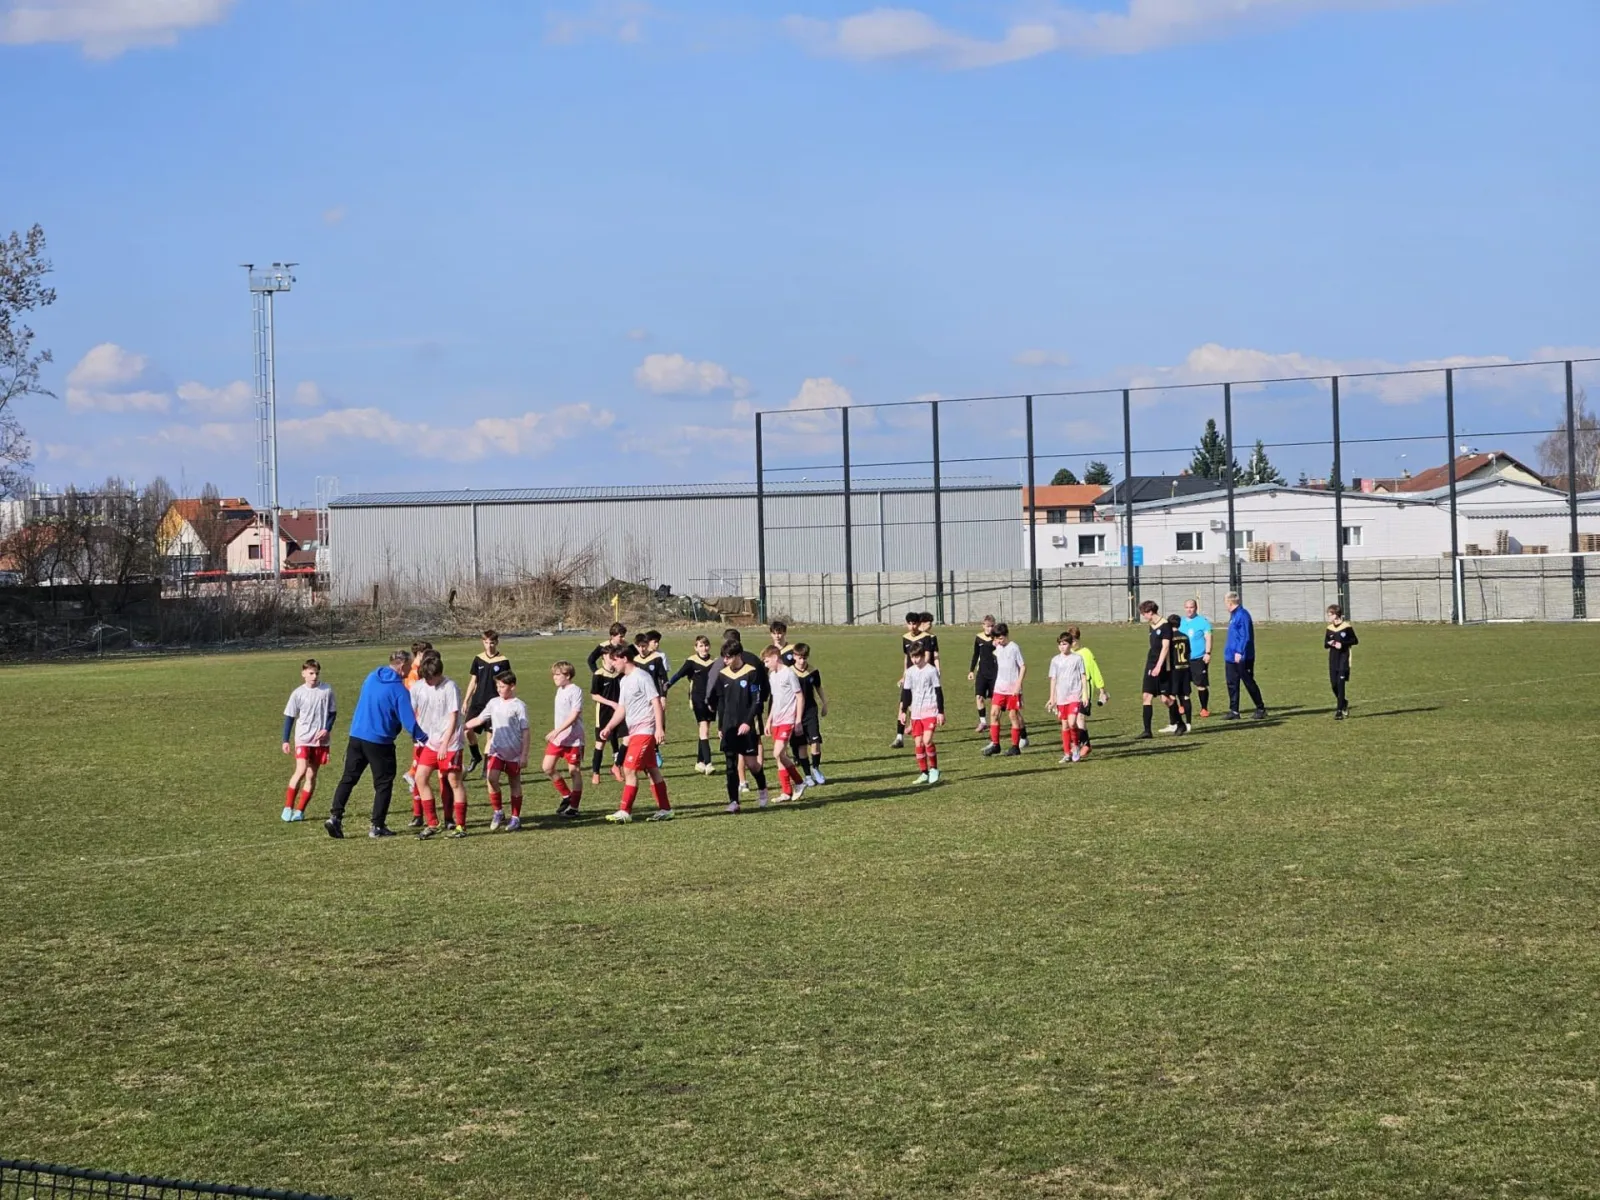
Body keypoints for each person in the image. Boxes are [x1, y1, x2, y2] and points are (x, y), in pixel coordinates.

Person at [324, 650, 430, 840]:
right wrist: (425, 738)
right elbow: (409, 721)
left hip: (357, 736)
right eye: (409, 665)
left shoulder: (372, 676)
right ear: (402, 665)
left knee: (348, 778)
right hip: (380, 742)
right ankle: (377, 825)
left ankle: (335, 817)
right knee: (383, 784)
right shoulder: (399, 690)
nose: (411, 668)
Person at [599, 645, 672, 823]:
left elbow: (655, 702)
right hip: (634, 732)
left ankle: (625, 811)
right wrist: (608, 727)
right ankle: (666, 809)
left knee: (629, 769)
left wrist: (659, 728)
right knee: (652, 770)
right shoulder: (624, 680)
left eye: (614, 660)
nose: (612, 664)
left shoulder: (642, 676)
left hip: (645, 731)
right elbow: (622, 708)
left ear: (624, 658)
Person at [707, 637, 769, 812]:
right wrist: (720, 726)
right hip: (729, 725)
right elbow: (721, 702)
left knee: (752, 764)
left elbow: (756, 701)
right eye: (724, 657)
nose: (725, 661)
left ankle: (762, 789)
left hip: (746, 725)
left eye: (728, 657)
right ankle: (734, 801)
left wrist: (748, 722)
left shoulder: (751, 673)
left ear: (738, 655)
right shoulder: (723, 675)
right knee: (730, 764)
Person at [464, 671, 530, 832]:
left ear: (512, 686)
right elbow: (480, 719)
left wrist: (524, 755)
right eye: (497, 686)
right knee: (491, 778)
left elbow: (525, 731)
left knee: (514, 783)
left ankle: (515, 818)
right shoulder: (493, 703)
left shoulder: (519, 706)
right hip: (496, 750)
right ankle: (498, 812)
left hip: (514, 752)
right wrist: (462, 727)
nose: (499, 689)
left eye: (502, 686)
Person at [411, 650, 467, 839]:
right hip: (431, 742)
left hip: (450, 744)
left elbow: (454, 717)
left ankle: (460, 826)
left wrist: (445, 743)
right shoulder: (419, 686)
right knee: (420, 778)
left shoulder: (450, 687)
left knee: (454, 781)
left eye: (430, 678)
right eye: (425, 678)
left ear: (439, 674)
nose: (427, 682)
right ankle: (433, 823)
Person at [281, 658, 336, 822]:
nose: (314, 676)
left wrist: (326, 729)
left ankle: (300, 811)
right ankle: (288, 807)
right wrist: (285, 740)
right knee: (301, 770)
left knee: (311, 776)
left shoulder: (326, 690)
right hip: (303, 738)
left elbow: (332, 713)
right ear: (303, 673)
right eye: (311, 673)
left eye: (316, 673)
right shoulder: (298, 693)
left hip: (320, 740)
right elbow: (290, 717)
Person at [762, 645, 809, 803]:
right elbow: (775, 700)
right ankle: (786, 792)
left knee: (777, 753)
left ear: (775, 658)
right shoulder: (772, 675)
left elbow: (799, 697)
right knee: (781, 757)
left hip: (788, 720)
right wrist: (769, 720)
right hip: (776, 720)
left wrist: (798, 720)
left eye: (767, 661)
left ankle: (800, 782)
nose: (766, 664)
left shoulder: (789, 673)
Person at [461, 630, 512, 776]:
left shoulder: (503, 661)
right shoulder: (478, 659)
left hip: (494, 704)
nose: (489, 646)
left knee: (490, 736)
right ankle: (476, 756)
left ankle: (486, 767)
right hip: (477, 702)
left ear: (497, 642)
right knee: (467, 730)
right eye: (486, 642)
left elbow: (507, 683)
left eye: (492, 643)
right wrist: (466, 700)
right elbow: (473, 681)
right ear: (483, 642)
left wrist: (506, 701)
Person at [667, 634, 719, 774]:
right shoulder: (691, 662)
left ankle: (699, 762)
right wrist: (668, 685)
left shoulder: (714, 662)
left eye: (706, 645)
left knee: (705, 730)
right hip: (697, 699)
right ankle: (708, 763)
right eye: (701, 646)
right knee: (704, 728)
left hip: (711, 700)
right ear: (696, 648)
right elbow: (679, 674)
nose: (704, 648)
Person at [541, 660, 587, 815]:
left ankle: (574, 807)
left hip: (574, 739)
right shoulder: (559, 690)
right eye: (554, 675)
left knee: (574, 771)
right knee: (547, 767)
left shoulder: (575, 690)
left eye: (558, 674)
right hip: (559, 739)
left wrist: (557, 730)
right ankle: (567, 795)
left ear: (567, 675)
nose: (554, 677)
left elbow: (574, 715)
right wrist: (557, 733)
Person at [587, 623, 629, 784]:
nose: (613, 660)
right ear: (604, 657)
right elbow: (594, 696)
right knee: (601, 743)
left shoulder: (619, 674)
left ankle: (617, 766)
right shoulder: (598, 674)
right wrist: (611, 703)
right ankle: (596, 772)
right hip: (604, 712)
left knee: (627, 739)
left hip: (620, 711)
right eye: (610, 657)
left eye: (614, 657)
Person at [901, 643, 944, 783]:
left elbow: (938, 691)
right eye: (912, 657)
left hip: (930, 710)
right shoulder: (909, 672)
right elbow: (906, 693)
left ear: (923, 655)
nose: (914, 660)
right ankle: (924, 772)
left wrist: (941, 712)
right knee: (918, 743)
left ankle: (934, 769)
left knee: (927, 740)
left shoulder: (931, 671)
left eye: (917, 657)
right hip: (916, 712)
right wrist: (903, 711)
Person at [982, 623, 1026, 757]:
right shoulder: (997, 646)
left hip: (1012, 689)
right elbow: (988, 643)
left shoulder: (1014, 647)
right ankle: (995, 744)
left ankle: (1015, 747)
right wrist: (993, 640)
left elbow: (1023, 667)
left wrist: (1018, 685)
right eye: (997, 638)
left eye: (1001, 638)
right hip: (1000, 687)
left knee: (1013, 716)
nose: (999, 641)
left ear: (1007, 635)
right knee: (994, 713)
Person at [1223, 591, 1268, 720]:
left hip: (1243, 656)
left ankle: (1261, 708)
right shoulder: (1233, 615)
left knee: (1248, 682)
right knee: (1232, 683)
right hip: (1230, 656)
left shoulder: (1242, 615)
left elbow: (1245, 636)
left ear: (1229, 602)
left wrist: (1239, 651)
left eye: (1225, 602)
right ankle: (1234, 711)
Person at [791, 642, 827, 785]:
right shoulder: (789, 672)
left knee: (815, 742)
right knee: (801, 745)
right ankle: (807, 775)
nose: (802, 661)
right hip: (794, 713)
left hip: (810, 711)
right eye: (799, 658)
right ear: (794, 656)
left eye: (804, 658)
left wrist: (825, 703)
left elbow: (818, 687)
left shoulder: (813, 671)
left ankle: (816, 768)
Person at [1046, 633, 1087, 763]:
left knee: (1072, 722)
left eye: (1064, 644)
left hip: (1074, 695)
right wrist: (1052, 697)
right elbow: (1053, 679)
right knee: (1064, 725)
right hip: (1061, 697)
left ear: (1070, 644)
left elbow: (1083, 677)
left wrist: (1085, 695)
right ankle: (1066, 753)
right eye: (1060, 644)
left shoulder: (1077, 659)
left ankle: (1076, 746)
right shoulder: (1055, 660)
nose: (1062, 647)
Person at [1069, 628, 1108, 757]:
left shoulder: (1086, 653)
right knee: (1072, 719)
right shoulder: (1067, 654)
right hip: (1071, 690)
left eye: (1074, 640)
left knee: (1080, 717)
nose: (1072, 643)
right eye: (1070, 641)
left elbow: (1095, 670)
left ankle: (1086, 745)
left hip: (1085, 689)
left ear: (1078, 639)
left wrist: (1101, 689)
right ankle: (1080, 743)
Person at [1137, 600, 1173, 739]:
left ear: (1150, 612)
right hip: (1151, 663)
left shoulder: (1165, 625)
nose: (1143, 616)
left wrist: (1158, 666)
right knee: (1146, 695)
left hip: (1162, 665)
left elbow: (1165, 647)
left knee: (1165, 699)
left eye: (1144, 614)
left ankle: (1179, 722)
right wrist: (1152, 665)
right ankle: (1147, 731)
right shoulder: (1151, 626)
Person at [1178, 599, 1214, 717]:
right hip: (1183, 659)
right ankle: (1182, 706)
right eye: (1187, 607)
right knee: (1181, 684)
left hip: (1198, 658)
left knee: (1201, 684)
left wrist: (1208, 653)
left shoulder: (1203, 622)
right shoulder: (1180, 622)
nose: (1189, 610)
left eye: (1191, 607)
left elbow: (1208, 637)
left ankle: (1204, 708)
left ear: (1196, 608)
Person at [1324, 604, 1359, 719]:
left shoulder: (1346, 627)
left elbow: (1355, 640)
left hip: (1343, 659)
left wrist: (1342, 644)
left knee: (1340, 684)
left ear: (1336, 615)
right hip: (1333, 659)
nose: (1328, 617)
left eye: (1330, 615)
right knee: (1334, 685)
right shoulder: (1329, 628)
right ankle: (1343, 702)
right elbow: (1325, 644)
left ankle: (1339, 711)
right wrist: (1331, 643)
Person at [892, 611, 921, 748]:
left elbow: (928, 657)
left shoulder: (926, 638)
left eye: (914, 624)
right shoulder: (905, 638)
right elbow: (906, 658)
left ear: (918, 624)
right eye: (909, 624)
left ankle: (919, 735)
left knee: (916, 707)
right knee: (902, 705)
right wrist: (904, 675)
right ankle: (899, 737)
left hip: (920, 678)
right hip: (909, 677)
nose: (912, 626)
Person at [967, 614, 998, 731]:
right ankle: (983, 722)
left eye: (992, 626)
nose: (990, 628)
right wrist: (971, 670)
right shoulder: (978, 637)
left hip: (995, 673)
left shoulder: (997, 639)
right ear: (983, 625)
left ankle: (995, 722)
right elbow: (976, 654)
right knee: (979, 696)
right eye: (988, 626)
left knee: (994, 699)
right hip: (982, 672)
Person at [1165, 614, 1191, 734]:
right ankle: (1189, 723)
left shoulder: (1169, 638)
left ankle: (1174, 723)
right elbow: (1188, 652)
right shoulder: (1185, 636)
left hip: (1174, 670)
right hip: (1185, 668)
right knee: (1185, 696)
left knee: (1171, 696)